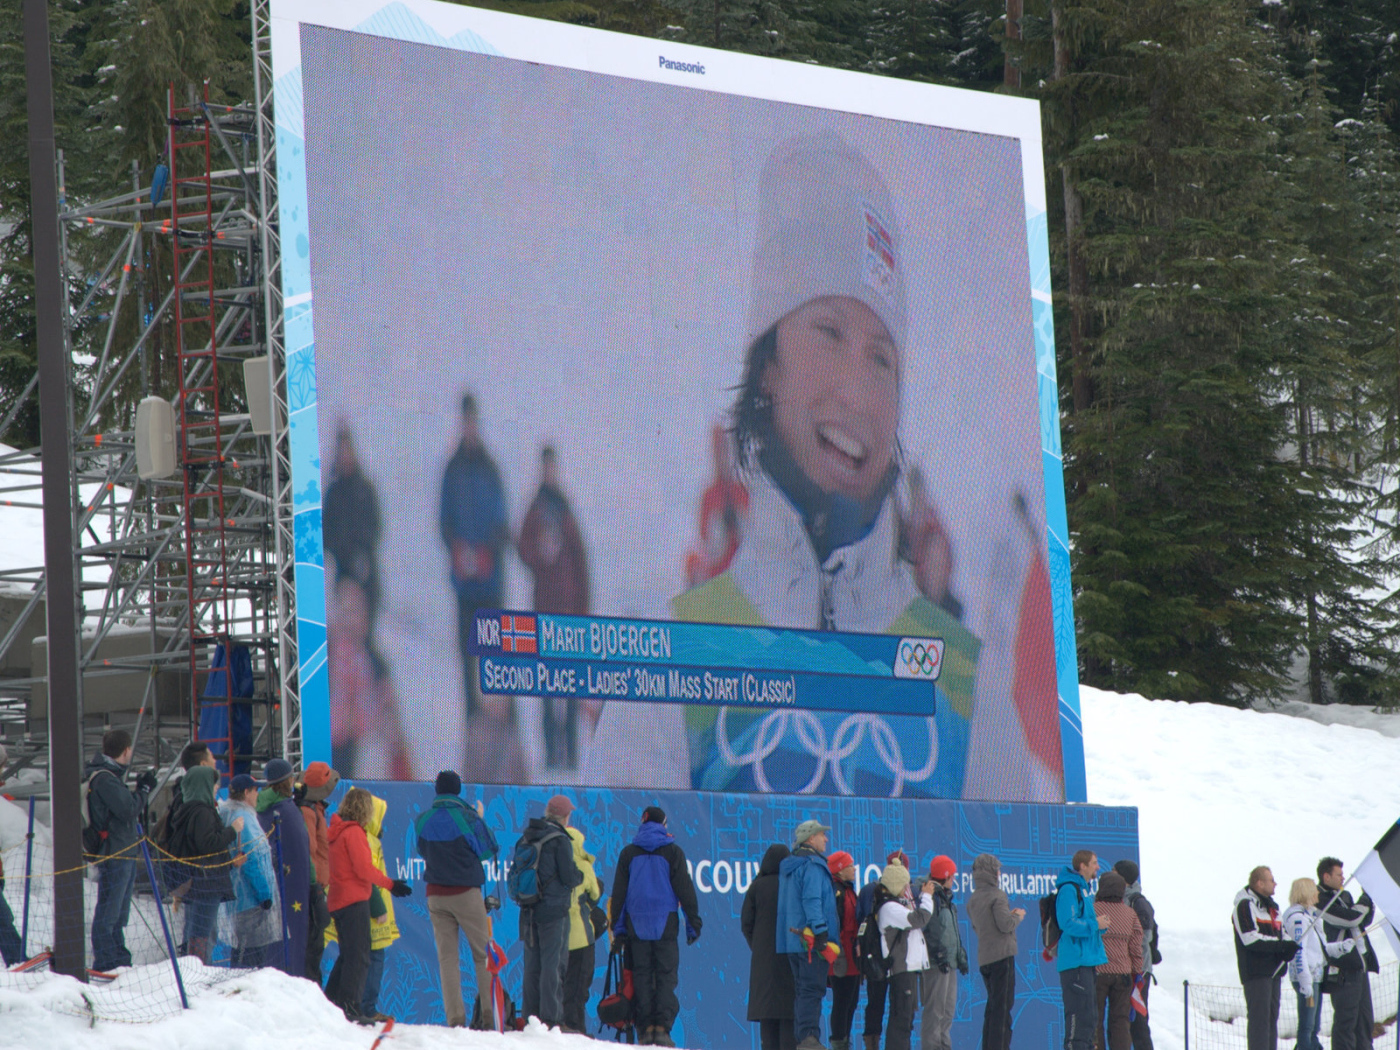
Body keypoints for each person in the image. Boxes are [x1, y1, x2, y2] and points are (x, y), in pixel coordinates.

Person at [657, 129, 1007, 803]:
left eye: (882, 358)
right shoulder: (675, 653)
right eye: (828, 332)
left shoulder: (970, 685)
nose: (857, 390)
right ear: (766, 366)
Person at [518, 445, 592, 769]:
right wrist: (539, 551)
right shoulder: (536, 510)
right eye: (545, 466)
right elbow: (522, 550)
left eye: (553, 466)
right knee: (548, 686)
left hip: (570, 612)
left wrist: (584, 609)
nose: (550, 472)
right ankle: (551, 754)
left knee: (572, 686)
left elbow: (581, 560)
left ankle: (572, 753)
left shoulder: (564, 510)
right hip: (544, 612)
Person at [439, 392, 508, 715]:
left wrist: (486, 551)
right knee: (467, 655)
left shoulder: (490, 469)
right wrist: (458, 550)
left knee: (496, 654)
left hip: (490, 583)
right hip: (465, 584)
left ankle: (502, 722)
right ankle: (473, 721)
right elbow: (445, 521)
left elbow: (501, 521)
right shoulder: (452, 471)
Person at [414, 769, 499, 1029]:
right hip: (465, 893)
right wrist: (479, 818)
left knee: (447, 959)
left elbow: (421, 849)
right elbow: (489, 850)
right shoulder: (468, 817)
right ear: (458, 790)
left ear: (438, 790)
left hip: (436, 896)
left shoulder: (422, 819)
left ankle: (456, 1021)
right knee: (483, 955)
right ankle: (489, 1018)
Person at [611, 806, 702, 1047]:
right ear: (663, 824)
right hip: (666, 922)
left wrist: (618, 931)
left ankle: (645, 1030)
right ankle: (662, 1029)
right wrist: (693, 923)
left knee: (641, 975)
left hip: (636, 923)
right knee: (665, 975)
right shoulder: (673, 852)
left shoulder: (628, 853)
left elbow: (619, 895)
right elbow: (685, 890)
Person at [326, 787, 412, 1023]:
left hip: (338, 899)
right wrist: (391, 884)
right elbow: (363, 870)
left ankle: (330, 1003)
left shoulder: (336, 831)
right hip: (354, 901)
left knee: (348, 956)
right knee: (359, 957)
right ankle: (350, 1007)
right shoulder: (354, 833)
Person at [85, 729, 155, 973]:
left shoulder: (109, 776)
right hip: (115, 852)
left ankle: (117, 957)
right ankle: (106, 960)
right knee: (110, 909)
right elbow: (127, 810)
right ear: (126, 751)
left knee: (117, 910)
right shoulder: (105, 778)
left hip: (120, 849)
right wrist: (143, 791)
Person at [518, 794, 582, 1029]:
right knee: (553, 965)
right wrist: (580, 876)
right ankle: (551, 1020)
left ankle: (530, 1018)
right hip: (554, 911)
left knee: (532, 965)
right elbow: (568, 876)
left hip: (528, 910)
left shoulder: (528, 835)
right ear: (565, 816)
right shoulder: (559, 840)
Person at [166, 764, 240, 962]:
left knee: (197, 931)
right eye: (213, 784)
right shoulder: (202, 812)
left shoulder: (188, 809)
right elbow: (207, 844)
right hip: (206, 884)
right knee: (203, 934)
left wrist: (230, 863)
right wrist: (232, 830)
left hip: (200, 882)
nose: (216, 788)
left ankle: (195, 969)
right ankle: (199, 972)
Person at [778, 819, 840, 1050]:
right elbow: (812, 900)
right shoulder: (813, 865)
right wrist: (821, 932)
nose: (826, 839)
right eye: (822, 835)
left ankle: (804, 1038)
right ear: (810, 839)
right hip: (810, 942)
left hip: (792, 941)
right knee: (812, 990)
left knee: (803, 990)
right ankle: (809, 1040)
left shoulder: (789, 866)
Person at [1233, 865, 1299, 1050]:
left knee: (1271, 1020)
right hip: (1256, 973)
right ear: (1259, 883)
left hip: (1274, 972)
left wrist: (1288, 946)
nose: (1275, 883)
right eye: (1271, 880)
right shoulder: (1244, 905)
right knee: (1259, 1022)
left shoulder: (1272, 907)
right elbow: (1249, 938)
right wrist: (1280, 946)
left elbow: (1282, 933)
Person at [257, 757, 312, 975]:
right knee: (290, 941)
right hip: (291, 889)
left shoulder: (265, 809)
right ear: (286, 781)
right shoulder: (285, 812)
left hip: (277, 888)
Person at [1316, 857, 1377, 1050]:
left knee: (1365, 1019)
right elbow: (1350, 919)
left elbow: (1362, 920)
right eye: (1339, 874)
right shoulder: (1320, 899)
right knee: (1346, 1021)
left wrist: (1369, 900)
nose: (1343, 878)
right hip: (1343, 969)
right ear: (1326, 876)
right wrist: (1366, 899)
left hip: (1360, 966)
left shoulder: (1345, 896)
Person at [875, 860, 936, 1050]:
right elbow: (919, 919)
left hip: (907, 969)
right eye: (904, 885)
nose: (907, 888)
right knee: (901, 1021)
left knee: (906, 1020)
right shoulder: (889, 908)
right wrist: (926, 897)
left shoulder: (896, 906)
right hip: (901, 969)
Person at [322, 423, 382, 613]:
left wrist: (362, 551)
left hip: (367, 574)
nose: (345, 455)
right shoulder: (333, 493)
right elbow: (326, 534)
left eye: (347, 449)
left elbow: (376, 526)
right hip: (343, 575)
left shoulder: (365, 489)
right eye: (341, 451)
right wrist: (343, 553)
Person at [967, 853, 1025, 1050]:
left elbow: (980, 927)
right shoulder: (997, 896)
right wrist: (1017, 916)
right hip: (1002, 955)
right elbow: (1005, 924)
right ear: (991, 872)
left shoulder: (973, 899)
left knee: (992, 1009)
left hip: (985, 958)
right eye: (997, 869)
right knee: (1002, 1010)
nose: (1000, 873)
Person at [220, 772, 278, 967]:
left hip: (243, 900)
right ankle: (241, 995)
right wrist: (264, 895)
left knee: (246, 956)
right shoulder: (242, 818)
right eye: (256, 790)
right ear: (246, 792)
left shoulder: (235, 814)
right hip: (251, 901)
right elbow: (250, 859)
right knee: (250, 961)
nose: (258, 795)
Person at [742, 843, 797, 1050]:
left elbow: (745, 923)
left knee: (768, 1024)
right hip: (790, 961)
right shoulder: (793, 885)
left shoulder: (756, 887)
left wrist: (757, 945)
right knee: (789, 1021)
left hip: (763, 964)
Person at [1056, 850, 1112, 1050]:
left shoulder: (1083, 889)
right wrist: (1095, 924)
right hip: (1076, 963)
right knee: (1079, 1020)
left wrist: (1099, 925)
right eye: (1094, 863)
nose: (1098, 867)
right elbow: (1068, 923)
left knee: (1088, 1020)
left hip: (1086, 961)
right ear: (1083, 866)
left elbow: (1084, 923)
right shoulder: (1069, 890)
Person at [860, 849, 913, 1050]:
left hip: (877, 955)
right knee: (898, 1005)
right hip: (896, 958)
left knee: (878, 1003)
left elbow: (860, 921)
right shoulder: (911, 892)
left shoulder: (869, 890)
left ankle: (873, 1043)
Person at [685, 423, 750, 586]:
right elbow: (706, 541)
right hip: (718, 566)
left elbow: (752, 537)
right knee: (691, 560)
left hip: (741, 565)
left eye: (724, 451)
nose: (721, 457)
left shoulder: (742, 491)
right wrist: (720, 526)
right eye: (717, 451)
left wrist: (737, 522)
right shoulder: (709, 495)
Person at [298, 760, 339, 983]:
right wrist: (315, 887)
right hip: (312, 889)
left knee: (315, 946)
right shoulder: (308, 812)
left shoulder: (314, 809)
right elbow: (310, 852)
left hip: (316, 887)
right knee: (313, 947)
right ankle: (311, 993)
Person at [921, 856, 967, 1050]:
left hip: (950, 962)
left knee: (947, 1011)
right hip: (936, 963)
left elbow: (952, 931)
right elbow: (929, 929)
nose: (954, 879)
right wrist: (938, 954)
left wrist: (960, 955)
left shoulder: (947, 899)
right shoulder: (931, 898)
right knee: (935, 1011)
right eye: (952, 875)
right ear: (945, 876)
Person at [1093, 871, 1142, 1050]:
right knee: (1120, 1020)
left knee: (1095, 1019)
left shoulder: (1092, 911)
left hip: (1097, 973)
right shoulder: (1130, 914)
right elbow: (1137, 947)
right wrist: (1136, 971)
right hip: (1122, 974)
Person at [562, 819, 602, 1033]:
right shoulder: (584, 866)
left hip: (559, 936)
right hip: (583, 937)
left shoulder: (556, 863)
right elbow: (595, 894)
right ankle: (576, 1030)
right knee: (579, 988)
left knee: (564, 985)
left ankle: (564, 1026)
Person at [1113, 860, 1158, 1050]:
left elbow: (1145, 935)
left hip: (1138, 971)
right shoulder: (1117, 899)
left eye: (1114, 873)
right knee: (1126, 1021)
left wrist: (1123, 946)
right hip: (1124, 968)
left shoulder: (1138, 902)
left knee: (1138, 1021)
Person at [1283, 878, 1327, 1050]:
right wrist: (1305, 980)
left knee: (1314, 1026)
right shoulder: (1298, 919)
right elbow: (1298, 951)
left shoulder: (1310, 917)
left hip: (1315, 976)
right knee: (1307, 1026)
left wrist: (1338, 948)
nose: (1317, 893)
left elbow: (1318, 947)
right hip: (1306, 977)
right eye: (1314, 889)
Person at [827, 851, 862, 1050]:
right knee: (842, 1002)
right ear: (840, 869)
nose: (854, 869)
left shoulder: (848, 889)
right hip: (841, 956)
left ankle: (844, 1041)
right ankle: (839, 1043)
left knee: (851, 1002)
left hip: (852, 956)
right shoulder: (835, 891)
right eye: (850, 865)